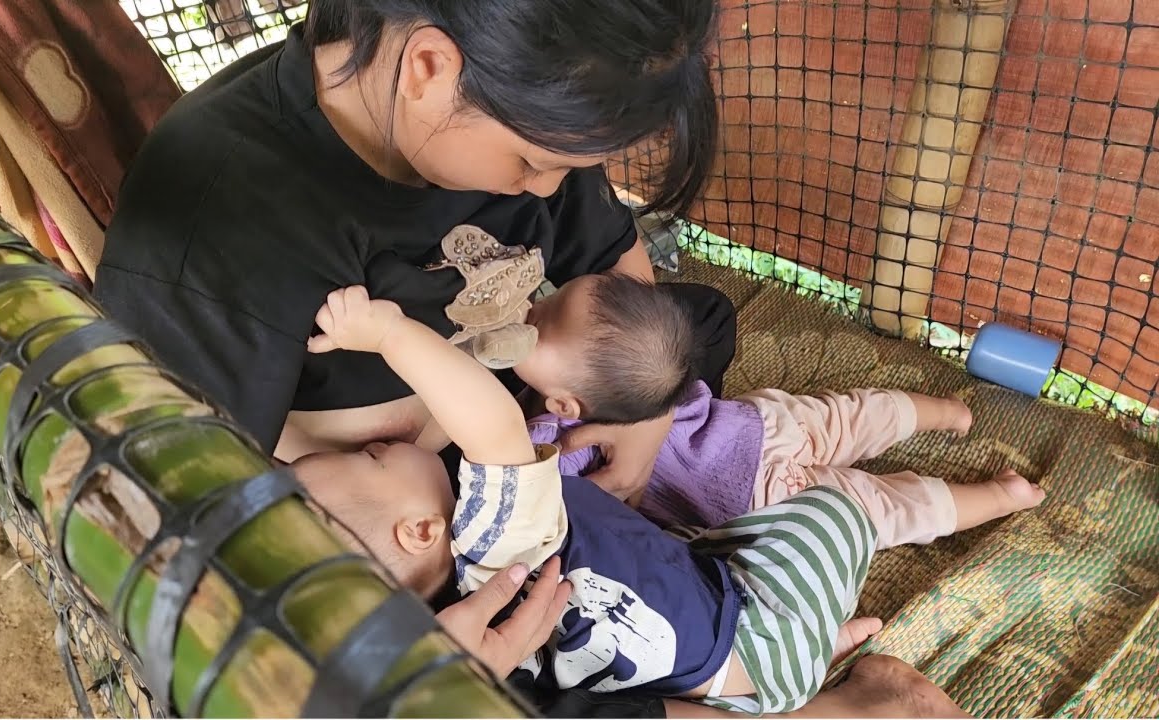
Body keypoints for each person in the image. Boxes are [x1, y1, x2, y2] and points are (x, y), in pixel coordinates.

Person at [94, 0, 967, 714]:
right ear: (430, 68)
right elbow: (178, 537)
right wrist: (400, 656)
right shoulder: (214, 227)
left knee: (684, 330)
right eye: (535, 162)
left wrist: (647, 415)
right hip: (411, 540)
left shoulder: (517, 100)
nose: (549, 187)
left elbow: (610, 266)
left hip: (533, 442)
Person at [294, 285, 884, 713]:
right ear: (420, 530)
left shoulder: (451, 616)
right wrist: (389, 334)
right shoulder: (490, 536)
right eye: (369, 457)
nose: (375, 443)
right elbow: (492, 422)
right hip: (758, 635)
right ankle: (810, 645)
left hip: (705, 681)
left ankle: (810, 652)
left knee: (681, 557)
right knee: (836, 515)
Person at [518, 273, 1047, 546]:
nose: (528, 307)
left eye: (538, 318)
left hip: (760, 501)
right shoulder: (658, 363)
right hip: (763, 425)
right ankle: (949, 412)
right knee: (854, 415)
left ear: (566, 403)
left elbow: (538, 499)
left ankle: (1003, 495)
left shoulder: (552, 436)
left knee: (882, 514)